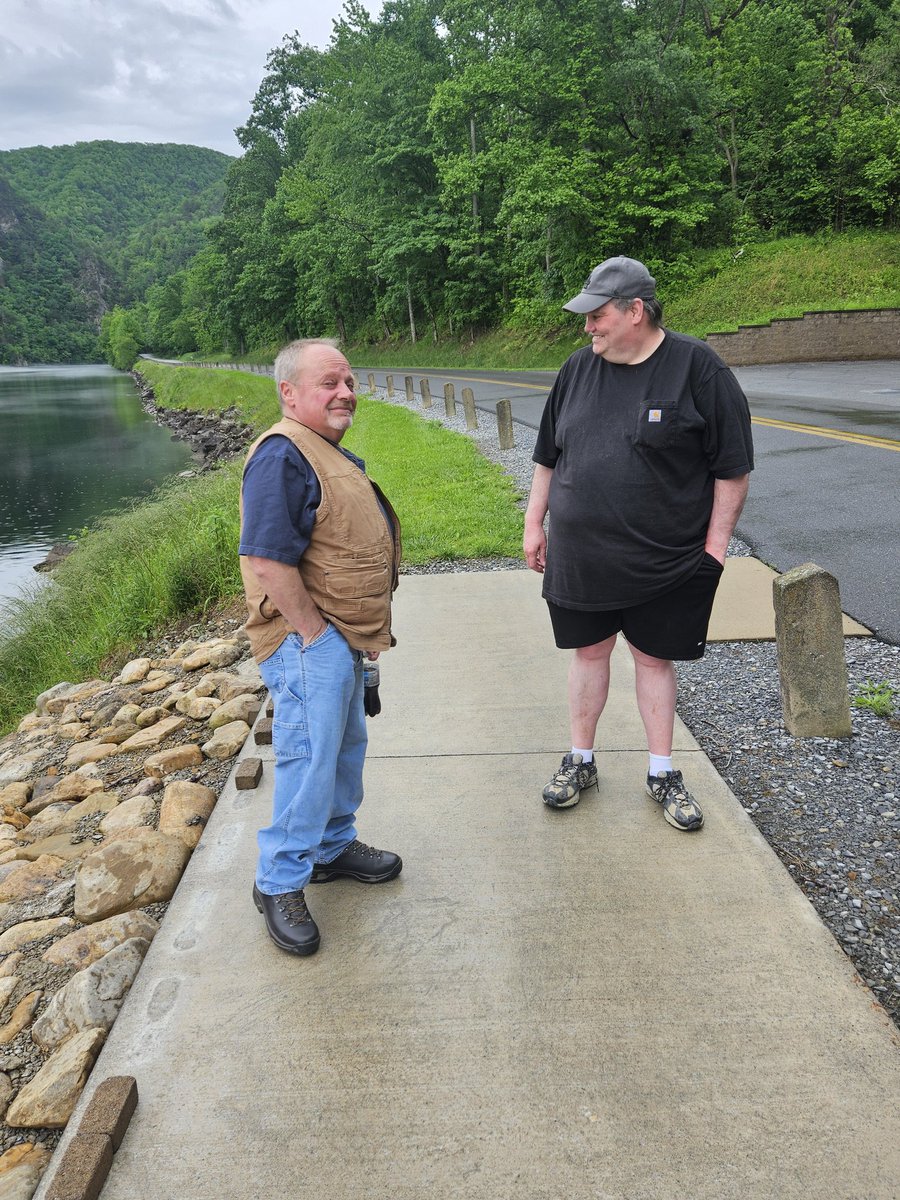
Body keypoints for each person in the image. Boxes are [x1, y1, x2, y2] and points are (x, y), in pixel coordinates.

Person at [524, 256, 753, 831]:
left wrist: (716, 551)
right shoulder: (577, 369)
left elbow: (732, 469)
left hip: (666, 560)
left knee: (653, 660)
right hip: (582, 558)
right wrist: (534, 523)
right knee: (589, 653)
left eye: (597, 315)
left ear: (635, 311)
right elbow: (547, 455)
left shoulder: (697, 369)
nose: (587, 327)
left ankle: (661, 771)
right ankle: (581, 761)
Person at [239, 338, 402, 956]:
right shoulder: (282, 455)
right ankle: (278, 880)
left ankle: (332, 847)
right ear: (289, 392)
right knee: (308, 758)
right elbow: (265, 559)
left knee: (343, 747)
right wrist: (313, 632)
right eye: (328, 383)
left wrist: (355, 633)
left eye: (349, 381)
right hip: (310, 640)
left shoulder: (321, 449)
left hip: (339, 636)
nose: (345, 393)